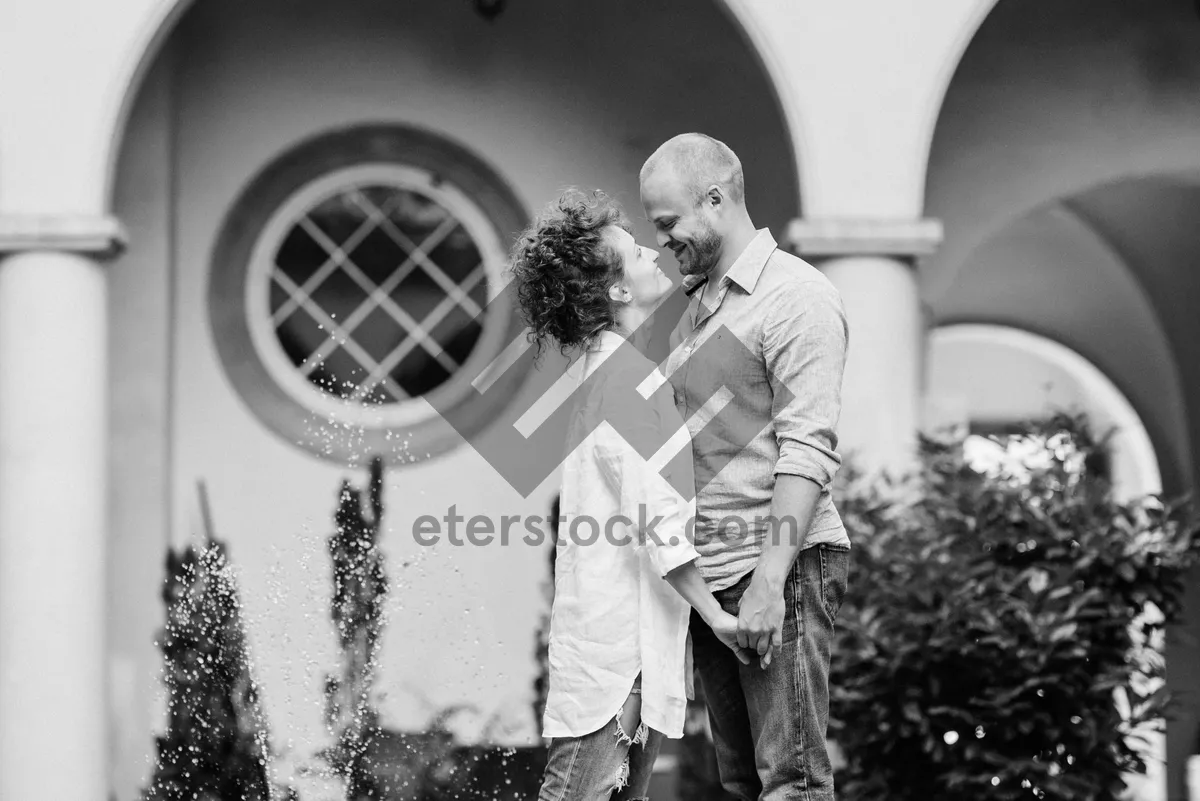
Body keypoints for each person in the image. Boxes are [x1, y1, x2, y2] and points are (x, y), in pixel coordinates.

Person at [509, 189, 750, 801]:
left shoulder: (618, 374)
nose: (651, 250)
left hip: (626, 657)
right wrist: (718, 615)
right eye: (635, 251)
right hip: (618, 661)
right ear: (617, 291)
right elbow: (657, 523)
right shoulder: (622, 381)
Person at [640, 133, 851, 801]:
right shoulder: (696, 309)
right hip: (716, 575)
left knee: (792, 782)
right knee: (739, 782)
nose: (665, 240)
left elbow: (807, 448)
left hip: (778, 566)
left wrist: (769, 580)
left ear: (715, 198)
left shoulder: (796, 297)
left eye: (670, 224)